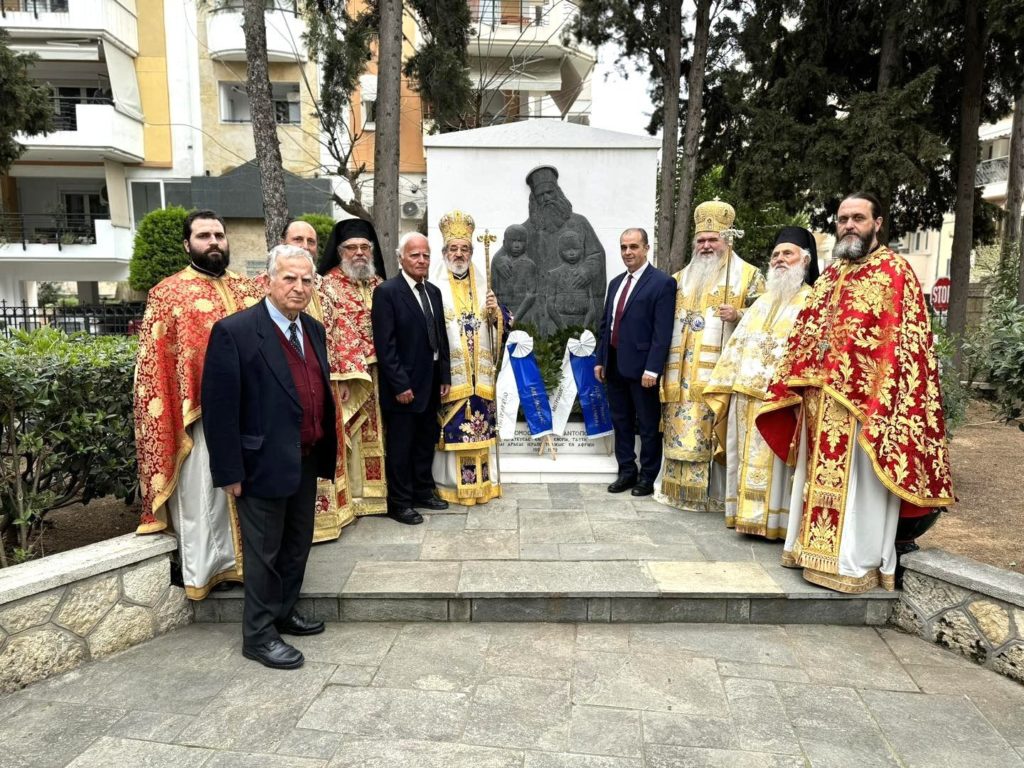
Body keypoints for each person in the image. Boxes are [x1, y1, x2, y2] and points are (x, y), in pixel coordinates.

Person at [757, 193, 953, 593]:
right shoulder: (830, 275)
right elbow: (808, 332)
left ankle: (854, 562)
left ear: (877, 223)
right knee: (815, 479)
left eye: (858, 218)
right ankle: (809, 551)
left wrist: (871, 391)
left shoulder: (895, 272)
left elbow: (905, 348)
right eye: (843, 218)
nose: (848, 225)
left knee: (860, 488)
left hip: (866, 408)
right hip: (820, 401)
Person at [202, 244, 336, 669]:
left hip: (306, 457)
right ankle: (258, 635)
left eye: (306, 280)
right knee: (264, 553)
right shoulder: (235, 332)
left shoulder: (313, 329)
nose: (298, 288)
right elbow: (219, 410)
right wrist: (229, 472)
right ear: (269, 281)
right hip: (259, 465)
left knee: (296, 547)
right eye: (289, 279)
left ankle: (282, 612)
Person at [133, 209, 262, 599]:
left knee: (254, 492)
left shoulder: (249, 289)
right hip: (200, 415)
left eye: (219, 235)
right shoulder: (168, 292)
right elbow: (153, 364)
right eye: (204, 236)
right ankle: (209, 571)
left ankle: (253, 566)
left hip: (253, 412)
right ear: (187, 244)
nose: (214, 243)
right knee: (205, 493)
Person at [702, 227, 819, 539]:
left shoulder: (813, 302)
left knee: (777, 466)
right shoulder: (762, 302)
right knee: (743, 462)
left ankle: (774, 524)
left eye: (787, 254)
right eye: (776, 255)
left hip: (778, 402)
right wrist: (724, 384)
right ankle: (745, 517)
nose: (780, 260)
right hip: (743, 397)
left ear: (804, 260)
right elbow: (737, 345)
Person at [660, 199, 765, 511]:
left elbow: (767, 320)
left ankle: (716, 497)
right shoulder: (679, 279)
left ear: (727, 240)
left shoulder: (748, 275)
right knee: (679, 430)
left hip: (717, 378)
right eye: (701, 240)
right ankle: (677, 491)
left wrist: (739, 313)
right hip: (679, 377)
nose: (706, 246)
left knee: (716, 431)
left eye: (712, 239)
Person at [303, 219, 390, 541]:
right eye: (351, 248)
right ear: (339, 252)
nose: (358, 253)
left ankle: (378, 496)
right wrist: (343, 372)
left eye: (364, 247)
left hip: (382, 375)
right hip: (347, 377)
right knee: (348, 439)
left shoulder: (380, 283)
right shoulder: (327, 286)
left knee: (381, 437)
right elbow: (328, 333)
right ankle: (351, 499)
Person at [431, 210, 510, 506]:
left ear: (472, 252)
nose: (459, 254)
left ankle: (482, 485)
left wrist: (495, 314)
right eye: (454, 248)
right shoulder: (434, 286)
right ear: (445, 252)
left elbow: (500, 324)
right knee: (452, 432)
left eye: (465, 249)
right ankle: (451, 486)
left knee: (479, 432)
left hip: (481, 377)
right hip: (453, 377)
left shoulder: (483, 284)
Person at [371, 233, 451, 524]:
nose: (421, 260)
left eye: (426, 255)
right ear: (400, 258)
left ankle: (422, 491)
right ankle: (400, 502)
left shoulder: (433, 292)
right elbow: (386, 345)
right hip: (403, 386)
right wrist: (399, 384)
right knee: (401, 446)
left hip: (431, 382)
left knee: (425, 440)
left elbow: (440, 337)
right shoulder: (387, 292)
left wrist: (444, 375)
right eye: (415, 255)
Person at [595, 228, 677, 496]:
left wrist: (653, 368)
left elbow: (661, 331)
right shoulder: (615, 283)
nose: (628, 252)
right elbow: (606, 324)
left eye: (633, 247)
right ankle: (626, 472)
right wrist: (601, 360)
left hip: (643, 370)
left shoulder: (662, 283)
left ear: (646, 248)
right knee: (621, 422)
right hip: (615, 366)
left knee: (648, 424)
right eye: (623, 247)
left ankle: (647, 476)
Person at [546, 229, 602, 331]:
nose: (571, 253)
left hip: (582, 323)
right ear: (561, 252)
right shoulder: (554, 275)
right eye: (567, 250)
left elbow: (591, 308)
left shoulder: (584, 276)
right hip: (560, 325)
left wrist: (584, 328)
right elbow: (550, 305)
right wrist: (563, 328)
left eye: (575, 249)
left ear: (581, 249)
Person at [491, 224, 539, 327]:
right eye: (513, 241)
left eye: (520, 241)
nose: (517, 245)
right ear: (505, 243)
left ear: (526, 243)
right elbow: (493, 290)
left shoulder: (529, 264)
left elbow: (531, 294)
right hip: (501, 314)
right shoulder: (499, 263)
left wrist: (515, 318)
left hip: (522, 316)